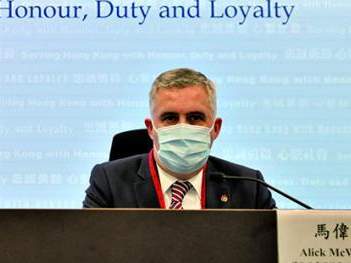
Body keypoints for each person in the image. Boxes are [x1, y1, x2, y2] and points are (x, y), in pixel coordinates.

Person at [83, 68, 275, 209]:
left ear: (215, 129)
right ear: (151, 128)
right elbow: (89, 248)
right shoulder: (109, 182)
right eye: (170, 118)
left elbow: (274, 250)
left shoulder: (250, 187)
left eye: (195, 118)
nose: (183, 127)